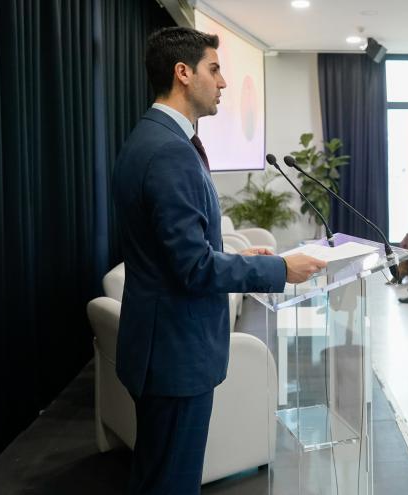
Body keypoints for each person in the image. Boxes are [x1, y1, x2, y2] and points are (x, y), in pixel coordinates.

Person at [111, 27, 326, 494]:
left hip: (162, 347)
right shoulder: (169, 151)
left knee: (156, 477)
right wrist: (279, 270)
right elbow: (192, 270)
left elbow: (174, 250)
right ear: (182, 73)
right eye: (215, 69)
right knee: (171, 482)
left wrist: (237, 254)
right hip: (174, 353)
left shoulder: (152, 138)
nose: (224, 82)